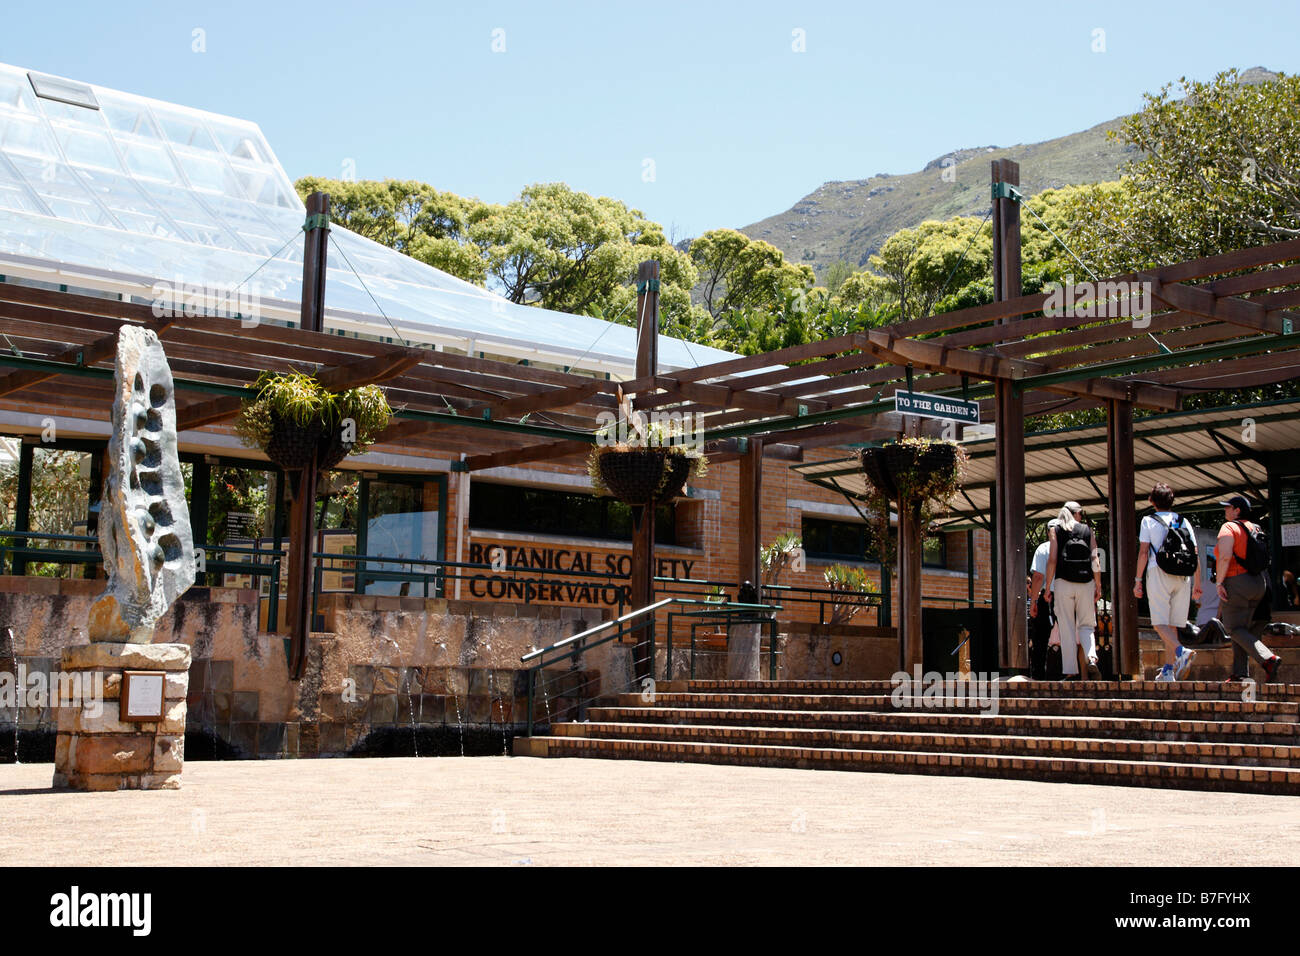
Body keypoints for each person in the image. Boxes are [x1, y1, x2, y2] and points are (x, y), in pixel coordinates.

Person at [1133, 483, 1202, 682]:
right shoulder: (1183, 520)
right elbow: (1194, 553)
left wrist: (1138, 580)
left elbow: (1144, 552)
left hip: (1159, 571)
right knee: (1173, 624)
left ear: (1152, 501)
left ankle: (1181, 652)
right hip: (1183, 576)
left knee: (1159, 624)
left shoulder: (1148, 520)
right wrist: (1197, 583)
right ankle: (1169, 670)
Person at [1214, 495, 1283, 683]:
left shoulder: (1229, 527)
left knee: (1233, 627)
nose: (1225, 510)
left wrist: (1219, 583)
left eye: (1228, 507)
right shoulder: (1255, 527)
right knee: (1242, 629)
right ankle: (1239, 673)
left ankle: (1268, 659)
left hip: (1237, 581)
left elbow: (1225, 556)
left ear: (1237, 511)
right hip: (1259, 583)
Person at [1044, 501, 1103, 680]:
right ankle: (1091, 657)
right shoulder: (1087, 531)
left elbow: (1052, 559)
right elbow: (1095, 559)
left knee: (1067, 627)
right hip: (1085, 582)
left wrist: (1048, 587)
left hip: (1063, 583)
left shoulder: (1056, 531)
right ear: (1076, 514)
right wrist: (1097, 584)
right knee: (1086, 625)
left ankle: (1071, 671)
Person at [1027, 518, 1060, 680]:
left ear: (1048, 532)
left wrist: (1033, 601)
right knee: (1070, 635)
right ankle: (1074, 672)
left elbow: (1038, 577)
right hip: (1069, 595)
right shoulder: (1069, 548)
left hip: (1048, 596)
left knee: (1040, 637)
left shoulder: (1044, 548)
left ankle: (1039, 675)